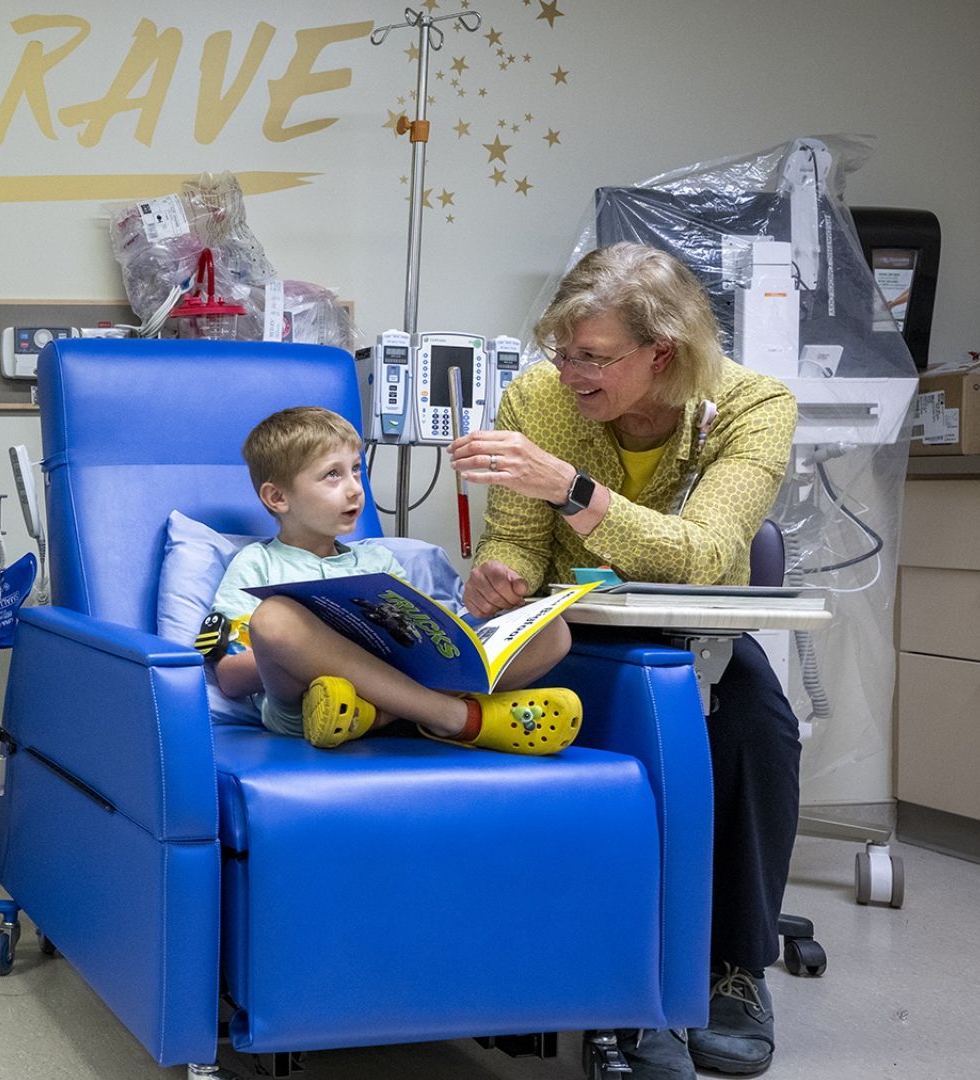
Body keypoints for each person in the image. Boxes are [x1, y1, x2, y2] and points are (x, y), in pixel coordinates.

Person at [449, 242, 800, 1079]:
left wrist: (572, 488)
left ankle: (732, 970)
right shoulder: (538, 394)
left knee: (758, 726)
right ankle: (627, 984)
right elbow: (517, 536)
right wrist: (502, 574)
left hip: (697, 633)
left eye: (594, 358)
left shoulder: (752, 406)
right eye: (561, 352)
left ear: (662, 353)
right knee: (607, 738)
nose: (569, 374)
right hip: (580, 632)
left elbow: (714, 555)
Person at [207, 405, 578, 752]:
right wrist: (327, 648)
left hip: (394, 692)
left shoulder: (378, 562)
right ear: (277, 497)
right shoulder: (256, 563)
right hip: (305, 706)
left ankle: (375, 717)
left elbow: (420, 643)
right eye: (332, 475)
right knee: (275, 617)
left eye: (356, 470)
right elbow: (229, 676)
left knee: (553, 630)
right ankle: (459, 718)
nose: (354, 488)